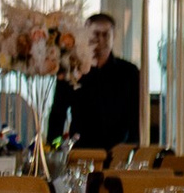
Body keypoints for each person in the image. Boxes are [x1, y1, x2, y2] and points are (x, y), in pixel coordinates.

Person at [49, 12, 142, 152]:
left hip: (118, 152)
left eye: (106, 35)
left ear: (114, 36)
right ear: (86, 35)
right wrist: (55, 147)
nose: (101, 40)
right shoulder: (72, 69)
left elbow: (136, 116)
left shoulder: (129, 72)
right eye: (96, 34)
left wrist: (132, 149)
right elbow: (58, 114)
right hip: (80, 151)